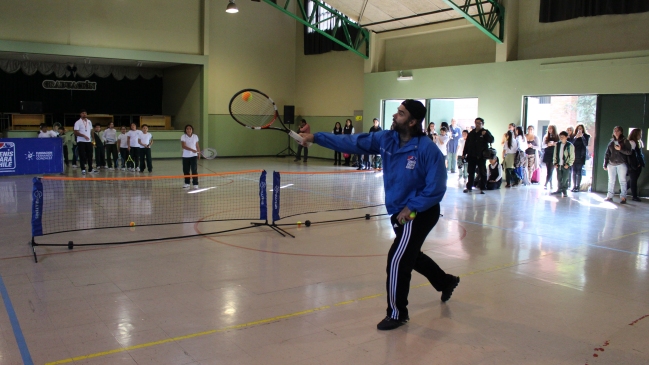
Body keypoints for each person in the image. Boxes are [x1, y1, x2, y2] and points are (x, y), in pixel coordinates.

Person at [298, 100, 459, 331]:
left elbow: (436, 188)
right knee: (411, 255)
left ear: (412, 122)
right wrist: (315, 137)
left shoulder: (427, 149)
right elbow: (352, 141)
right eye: (397, 111)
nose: (395, 115)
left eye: (401, 113)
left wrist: (412, 207)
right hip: (398, 210)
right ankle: (446, 281)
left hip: (419, 212)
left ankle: (397, 313)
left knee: (397, 260)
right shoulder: (387, 139)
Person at [463, 118, 494, 194]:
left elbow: (492, 140)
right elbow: (467, 144)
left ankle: (483, 187)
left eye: (479, 123)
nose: (477, 124)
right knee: (471, 172)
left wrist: (485, 135)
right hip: (471, 156)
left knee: (482, 172)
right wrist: (464, 153)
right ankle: (469, 187)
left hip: (481, 156)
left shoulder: (485, 132)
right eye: (476, 123)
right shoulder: (471, 133)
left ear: (482, 124)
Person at [603, 126, 632, 203]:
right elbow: (607, 154)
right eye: (614, 130)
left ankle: (623, 197)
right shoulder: (611, 142)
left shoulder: (625, 141)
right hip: (611, 164)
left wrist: (620, 149)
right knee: (611, 180)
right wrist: (605, 163)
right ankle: (609, 196)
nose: (615, 132)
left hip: (621, 163)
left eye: (617, 131)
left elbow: (629, 152)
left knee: (622, 181)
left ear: (621, 132)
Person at [73, 110, 97, 174]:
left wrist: (93, 139)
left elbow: (91, 131)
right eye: (83, 113)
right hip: (81, 141)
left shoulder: (89, 121)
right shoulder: (78, 122)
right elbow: (75, 132)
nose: (84, 114)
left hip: (88, 141)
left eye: (85, 113)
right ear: (80, 114)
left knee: (90, 155)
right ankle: (83, 169)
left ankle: (90, 169)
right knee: (82, 155)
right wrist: (83, 135)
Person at [552, 131, 575, 197]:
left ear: (566, 137)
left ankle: (564, 190)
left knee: (565, 178)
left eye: (563, 137)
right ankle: (559, 189)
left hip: (566, 165)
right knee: (559, 177)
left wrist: (569, 164)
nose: (561, 138)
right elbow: (555, 154)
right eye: (560, 137)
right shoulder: (558, 145)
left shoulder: (570, 146)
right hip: (559, 164)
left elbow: (572, 156)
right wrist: (555, 163)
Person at [570, 123, 590, 192]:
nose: (579, 130)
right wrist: (576, 137)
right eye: (578, 128)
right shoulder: (574, 136)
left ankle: (578, 186)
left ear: (583, 129)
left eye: (581, 128)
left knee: (579, 171)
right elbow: (571, 143)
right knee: (574, 171)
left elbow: (586, 144)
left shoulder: (586, 136)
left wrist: (582, 137)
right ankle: (574, 186)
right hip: (573, 155)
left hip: (581, 156)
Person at [627, 128, 645, 202]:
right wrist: (634, 165)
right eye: (639, 134)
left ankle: (623, 189)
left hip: (638, 164)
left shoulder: (638, 142)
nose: (640, 135)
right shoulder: (632, 142)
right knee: (633, 181)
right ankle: (634, 196)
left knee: (632, 180)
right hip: (634, 165)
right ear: (635, 134)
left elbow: (639, 154)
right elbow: (631, 155)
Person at [181, 124, 200, 189]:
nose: (189, 130)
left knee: (194, 170)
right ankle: (187, 183)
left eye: (190, 129)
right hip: (185, 156)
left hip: (193, 156)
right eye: (187, 129)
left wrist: (198, 152)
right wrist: (192, 150)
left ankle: (195, 183)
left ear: (192, 130)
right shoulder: (183, 136)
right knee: (186, 170)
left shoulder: (195, 136)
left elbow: (197, 145)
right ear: (185, 130)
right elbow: (183, 146)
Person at [542, 125, 559, 190]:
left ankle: (546, 183)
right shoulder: (546, 137)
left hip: (554, 154)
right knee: (548, 170)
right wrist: (547, 145)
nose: (550, 130)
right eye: (549, 128)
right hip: (547, 153)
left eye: (551, 129)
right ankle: (550, 184)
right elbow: (542, 146)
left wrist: (554, 144)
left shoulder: (557, 136)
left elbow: (560, 144)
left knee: (551, 170)